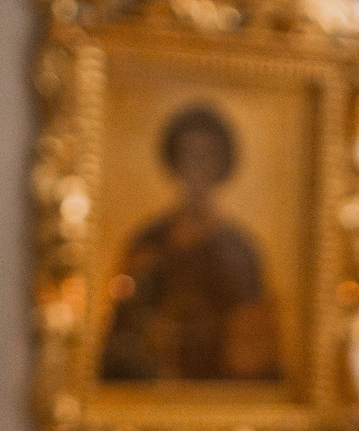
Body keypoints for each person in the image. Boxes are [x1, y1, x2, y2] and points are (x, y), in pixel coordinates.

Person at [100, 102, 280, 384]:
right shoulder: (149, 241)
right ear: (175, 163)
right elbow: (122, 337)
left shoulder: (241, 251)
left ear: (222, 165)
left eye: (207, 158)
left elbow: (256, 351)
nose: (197, 170)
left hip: (220, 392)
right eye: (189, 157)